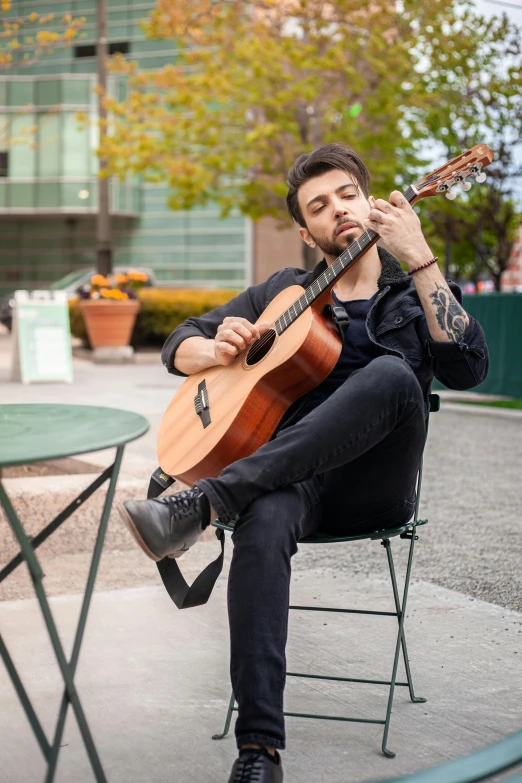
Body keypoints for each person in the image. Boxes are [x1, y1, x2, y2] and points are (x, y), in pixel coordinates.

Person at [119, 143, 488, 783]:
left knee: (393, 376)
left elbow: (470, 368)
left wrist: (421, 256)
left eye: (347, 194)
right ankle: (258, 753)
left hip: (376, 485)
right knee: (264, 518)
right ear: (305, 230)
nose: (337, 210)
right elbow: (177, 341)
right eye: (319, 205)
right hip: (290, 484)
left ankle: (204, 504)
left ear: (370, 201)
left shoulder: (411, 291)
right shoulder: (281, 293)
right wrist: (212, 348)